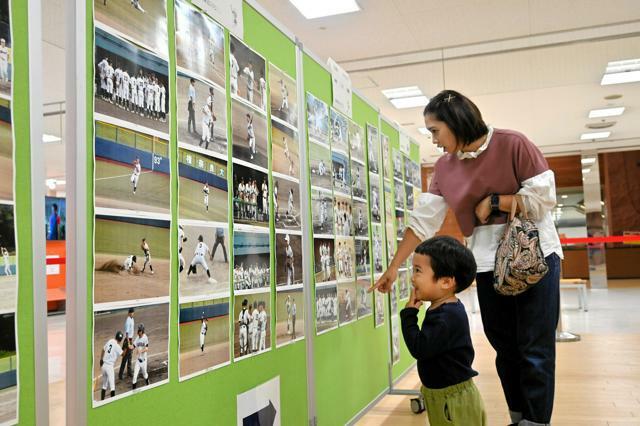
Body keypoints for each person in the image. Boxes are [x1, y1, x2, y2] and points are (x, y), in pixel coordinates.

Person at [374, 90, 562, 426]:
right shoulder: (445, 168)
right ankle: (518, 418)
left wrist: (495, 202)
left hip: (535, 257)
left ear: (456, 122)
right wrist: (393, 267)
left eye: (435, 131)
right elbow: (421, 222)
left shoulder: (513, 144)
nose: (433, 141)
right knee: (506, 350)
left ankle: (536, 423)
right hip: (488, 264)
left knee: (535, 350)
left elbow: (544, 197)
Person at [401, 236, 486, 425]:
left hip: (454, 401)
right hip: (442, 396)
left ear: (446, 282)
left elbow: (419, 348)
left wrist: (408, 315)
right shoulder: (442, 309)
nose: (412, 277)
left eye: (418, 271)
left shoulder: (447, 317)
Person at [100, 331, 126, 400]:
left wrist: (101, 359)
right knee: (112, 387)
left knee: (104, 385)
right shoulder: (117, 346)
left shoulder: (110, 340)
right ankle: (112, 403)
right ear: (120, 340)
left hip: (104, 366)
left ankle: (102, 400)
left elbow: (103, 349)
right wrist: (126, 348)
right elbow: (123, 355)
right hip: (109, 367)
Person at [119, 308, 135, 380]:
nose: (132, 313)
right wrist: (128, 343)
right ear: (128, 313)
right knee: (125, 358)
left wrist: (131, 341)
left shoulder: (132, 319)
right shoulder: (128, 321)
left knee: (130, 357)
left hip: (131, 340)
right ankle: (120, 374)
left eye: (133, 312)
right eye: (131, 312)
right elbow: (127, 333)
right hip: (127, 341)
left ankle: (129, 372)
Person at [131, 323, 149, 390]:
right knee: (134, 377)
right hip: (138, 361)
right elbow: (133, 346)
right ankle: (133, 392)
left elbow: (147, 348)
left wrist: (140, 351)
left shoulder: (145, 338)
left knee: (145, 375)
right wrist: (129, 347)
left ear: (142, 331)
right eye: (138, 330)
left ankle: (148, 386)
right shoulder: (137, 338)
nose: (138, 331)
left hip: (144, 361)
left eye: (139, 330)